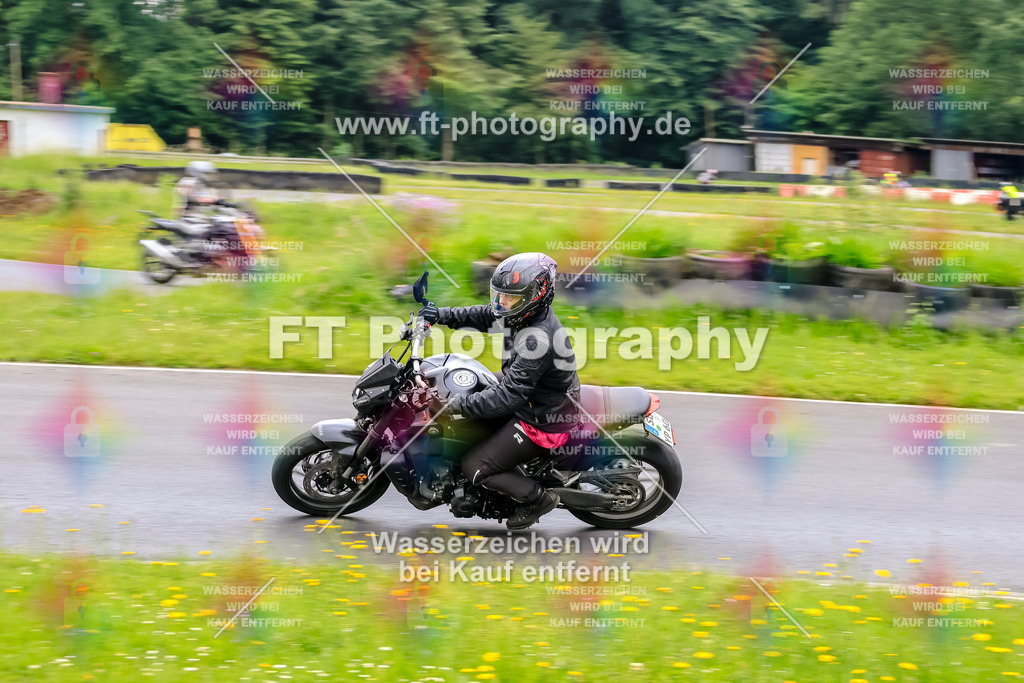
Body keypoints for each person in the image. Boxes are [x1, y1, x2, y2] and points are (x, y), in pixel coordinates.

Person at [420, 253, 581, 530]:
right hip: (532, 395)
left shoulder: (537, 338)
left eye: (510, 297)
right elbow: (487, 315)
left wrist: (456, 407)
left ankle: (537, 498)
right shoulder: (522, 312)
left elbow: (509, 396)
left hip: (541, 417)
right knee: (466, 382)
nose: (501, 302)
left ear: (535, 295)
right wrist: (442, 315)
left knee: (475, 467)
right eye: (500, 294)